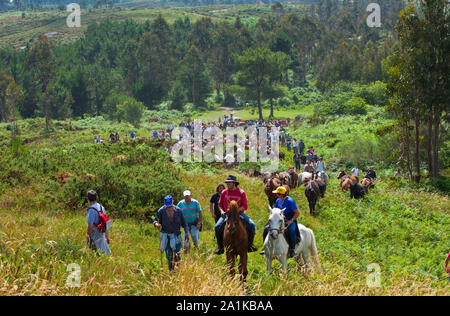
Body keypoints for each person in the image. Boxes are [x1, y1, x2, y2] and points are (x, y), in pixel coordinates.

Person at [214, 175, 257, 255]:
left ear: (234, 183)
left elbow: (245, 206)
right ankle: (220, 247)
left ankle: (250, 245)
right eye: (227, 183)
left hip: (239, 214)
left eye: (229, 183)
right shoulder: (224, 192)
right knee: (217, 227)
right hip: (226, 215)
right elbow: (219, 204)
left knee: (252, 224)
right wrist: (222, 211)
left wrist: (235, 210)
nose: (228, 184)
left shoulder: (241, 192)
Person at [260, 186, 300, 258]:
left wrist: (291, 221)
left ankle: (292, 249)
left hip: (289, 220)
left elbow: (297, 213)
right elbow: (275, 211)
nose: (276, 195)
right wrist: (270, 221)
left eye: (277, 194)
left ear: (281, 194)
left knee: (291, 230)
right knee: (266, 229)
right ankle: (265, 248)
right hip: (278, 220)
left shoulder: (290, 201)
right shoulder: (278, 200)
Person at [154, 195, 189, 271]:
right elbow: (155, 220)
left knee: (178, 254)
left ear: (172, 202)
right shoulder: (161, 211)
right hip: (166, 236)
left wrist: (186, 234)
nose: (169, 208)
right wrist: (157, 224)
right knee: (169, 255)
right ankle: (171, 270)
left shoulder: (178, 211)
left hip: (176, 235)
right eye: (167, 206)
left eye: (170, 206)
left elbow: (184, 223)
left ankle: (177, 269)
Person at [86, 190, 111, 255]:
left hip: (94, 237)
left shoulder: (91, 210)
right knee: (104, 254)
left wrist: (88, 238)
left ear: (87, 199)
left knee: (94, 255)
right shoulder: (101, 207)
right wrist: (107, 236)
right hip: (101, 235)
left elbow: (90, 226)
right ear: (96, 197)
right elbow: (106, 223)